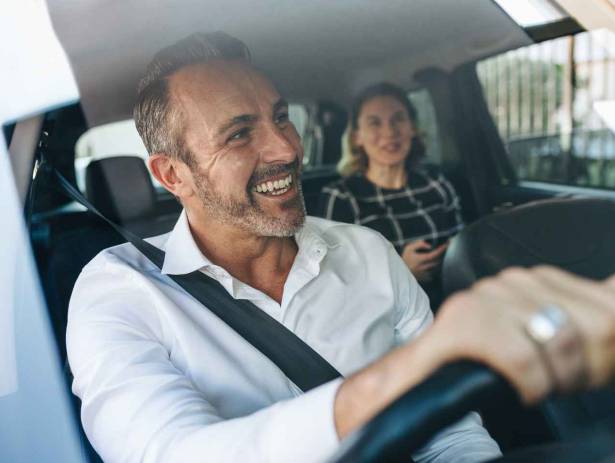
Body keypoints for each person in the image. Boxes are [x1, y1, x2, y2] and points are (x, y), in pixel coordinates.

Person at [67, 32, 615, 463]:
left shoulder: (369, 252)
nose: (285, 148)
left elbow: (453, 435)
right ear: (172, 174)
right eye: (239, 134)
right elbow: (171, 454)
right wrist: (420, 367)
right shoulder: (121, 291)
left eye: (282, 117)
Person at [319, 83, 462, 309]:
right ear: (357, 136)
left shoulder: (436, 183)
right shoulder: (342, 197)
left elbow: (461, 240)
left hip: (453, 302)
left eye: (398, 119)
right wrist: (401, 273)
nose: (389, 132)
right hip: (391, 318)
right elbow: (337, 285)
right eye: (375, 123)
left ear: (412, 128)